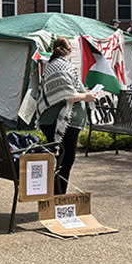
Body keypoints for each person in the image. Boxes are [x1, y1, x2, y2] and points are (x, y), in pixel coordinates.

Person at [38, 36, 97, 194]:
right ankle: (58, 198)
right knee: (65, 160)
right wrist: (86, 97)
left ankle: (54, 196)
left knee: (59, 160)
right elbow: (67, 94)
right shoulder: (63, 66)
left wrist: (85, 93)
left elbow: (68, 90)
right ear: (69, 51)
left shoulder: (52, 65)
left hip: (52, 119)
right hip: (61, 121)